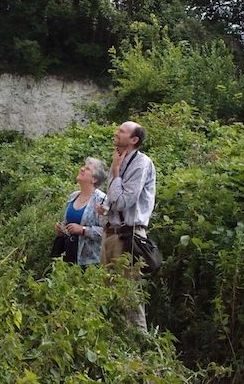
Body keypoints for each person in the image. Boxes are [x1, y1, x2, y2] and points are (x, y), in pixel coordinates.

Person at [96, 121, 156, 331]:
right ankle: (116, 345)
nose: (116, 133)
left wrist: (115, 171)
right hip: (110, 233)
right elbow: (112, 200)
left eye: (121, 131)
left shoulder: (141, 163)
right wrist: (104, 208)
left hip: (127, 236)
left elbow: (122, 201)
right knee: (108, 293)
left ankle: (142, 347)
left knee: (130, 296)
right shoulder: (120, 160)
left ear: (134, 140)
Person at [51, 157, 107, 267]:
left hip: (89, 262)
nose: (81, 169)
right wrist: (61, 229)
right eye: (83, 167)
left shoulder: (102, 200)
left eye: (87, 169)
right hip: (67, 254)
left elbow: (108, 232)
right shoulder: (73, 196)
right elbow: (67, 222)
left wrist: (83, 230)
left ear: (94, 179)